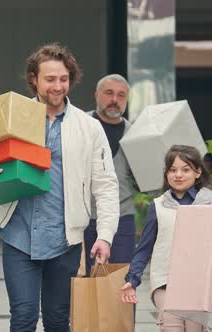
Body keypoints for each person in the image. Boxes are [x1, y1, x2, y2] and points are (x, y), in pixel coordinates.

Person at [0, 43, 120, 331]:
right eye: (50, 79)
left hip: (65, 240)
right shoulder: (15, 113)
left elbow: (106, 185)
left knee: (57, 321)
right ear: (34, 80)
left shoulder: (88, 127)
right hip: (18, 234)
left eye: (63, 79)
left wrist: (104, 235)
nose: (57, 86)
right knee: (24, 317)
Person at [120, 145, 212, 332]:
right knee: (171, 326)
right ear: (166, 174)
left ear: (198, 172)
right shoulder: (157, 206)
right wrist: (132, 280)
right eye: (172, 170)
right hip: (165, 281)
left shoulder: (210, 200)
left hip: (198, 283)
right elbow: (144, 248)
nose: (178, 175)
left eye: (185, 169)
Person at [84, 74, 136, 273]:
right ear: (97, 95)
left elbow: (146, 182)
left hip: (122, 218)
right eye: (109, 93)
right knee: (81, 283)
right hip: (82, 217)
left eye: (121, 95)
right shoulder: (80, 125)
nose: (114, 99)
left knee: (121, 281)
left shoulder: (135, 135)